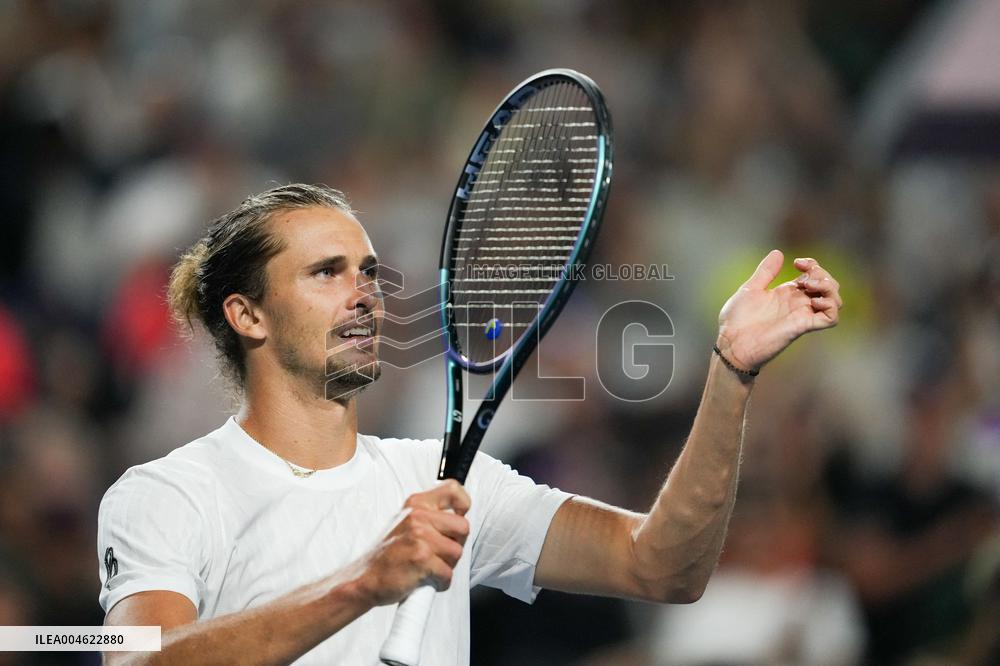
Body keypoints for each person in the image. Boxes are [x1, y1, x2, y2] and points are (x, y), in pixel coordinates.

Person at [98, 183, 842, 664]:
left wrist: (730, 372)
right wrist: (363, 582)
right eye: (327, 272)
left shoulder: (448, 484)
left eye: (369, 272)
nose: (365, 293)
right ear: (247, 314)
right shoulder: (166, 494)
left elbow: (662, 565)